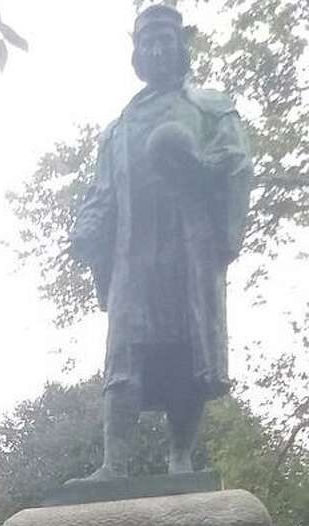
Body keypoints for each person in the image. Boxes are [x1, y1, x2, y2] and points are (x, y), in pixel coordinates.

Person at [71, 4, 252, 480]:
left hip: (188, 250)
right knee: (124, 350)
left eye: (164, 40)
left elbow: (236, 165)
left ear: (180, 47)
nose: (155, 49)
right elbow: (102, 191)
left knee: (185, 350)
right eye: (146, 42)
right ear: (137, 54)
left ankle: (181, 459)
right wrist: (87, 229)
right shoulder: (118, 129)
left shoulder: (210, 108)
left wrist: (198, 169)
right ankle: (113, 464)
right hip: (135, 254)